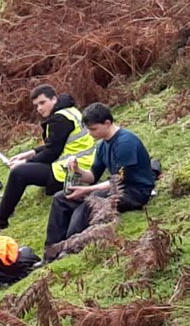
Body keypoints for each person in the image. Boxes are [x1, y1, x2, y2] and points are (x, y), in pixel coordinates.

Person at [44, 103, 155, 259]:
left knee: (89, 203)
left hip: (134, 191)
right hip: (115, 188)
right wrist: (77, 170)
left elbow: (120, 179)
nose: (90, 134)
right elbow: (92, 176)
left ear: (107, 123)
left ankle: (69, 248)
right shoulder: (102, 145)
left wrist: (87, 191)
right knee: (61, 198)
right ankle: (50, 251)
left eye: (93, 129)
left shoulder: (125, 143)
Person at [0, 85, 95, 234]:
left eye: (42, 103)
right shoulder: (70, 111)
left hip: (71, 171)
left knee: (18, 173)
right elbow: (57, 144)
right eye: (36, 105)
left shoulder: (59, 119)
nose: (39, 108)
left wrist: (25, 163)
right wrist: (30, 153)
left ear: (54, 99)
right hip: (82, 164)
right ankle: (1, 211)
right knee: (22, 171)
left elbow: (52, 153)